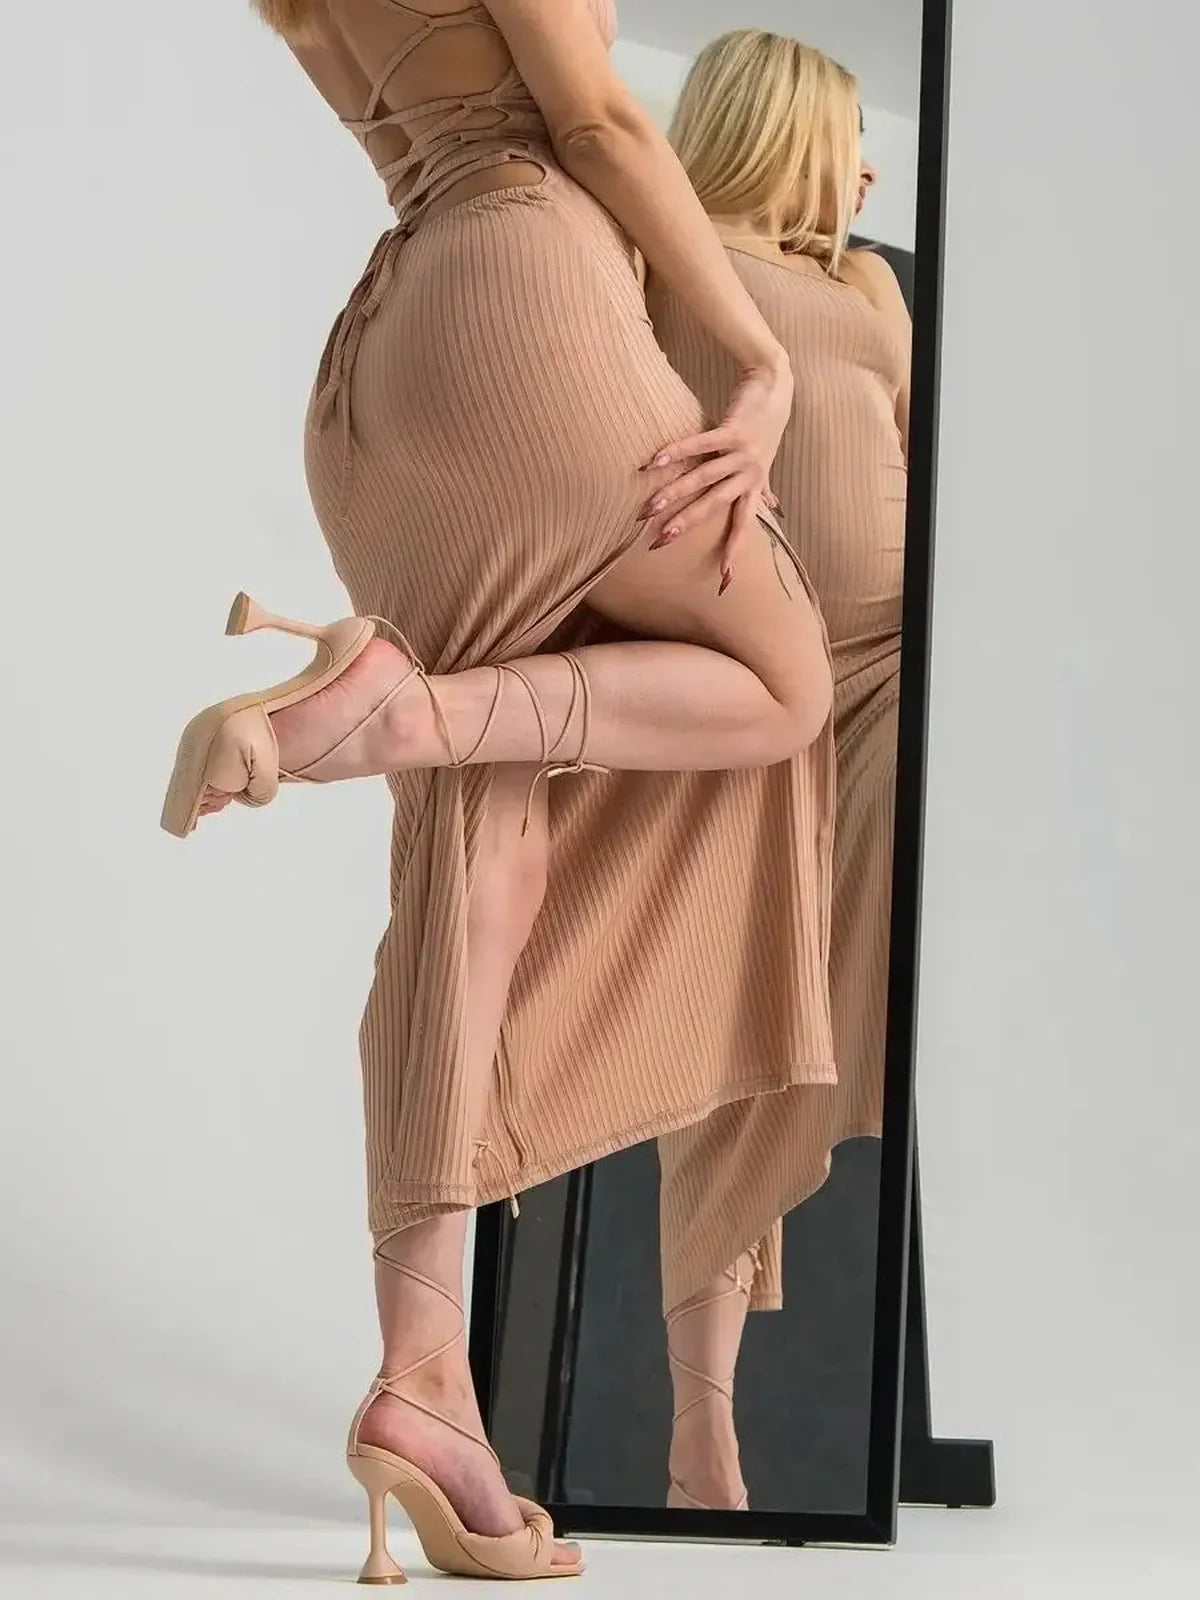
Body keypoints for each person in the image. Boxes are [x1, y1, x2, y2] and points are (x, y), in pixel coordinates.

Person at [161, 0, 836, 1583]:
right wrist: (758, 359)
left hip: (380, 371)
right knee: (788, 678)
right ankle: (410, 709)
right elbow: (589, 119)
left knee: (478, 865)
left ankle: (427, 1384)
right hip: (520, 293)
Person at [645, 28, 911, 1511]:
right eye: (851, 141)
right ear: (783, 126)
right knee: (730, 1027)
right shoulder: (664, 260)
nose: (867, 176)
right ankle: (704, 1429)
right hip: (750, 673)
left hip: (897, 664)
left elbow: (925, 451)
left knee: (838, 982)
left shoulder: (868, 285)